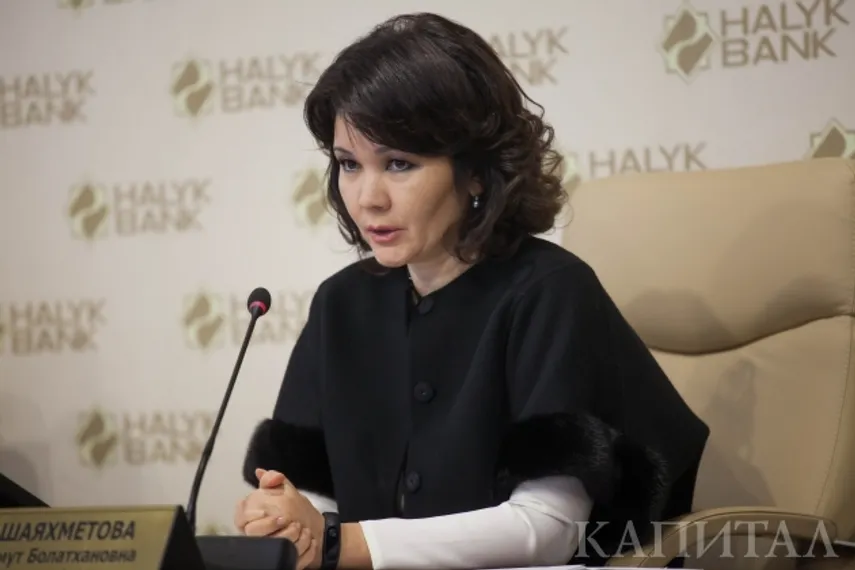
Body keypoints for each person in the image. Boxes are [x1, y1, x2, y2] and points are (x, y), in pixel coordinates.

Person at [233, 11, 709, 570]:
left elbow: (548, 529)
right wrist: (288, 521)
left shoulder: (549, 291)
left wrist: (344, 544)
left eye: (399, 164)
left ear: (477, 171)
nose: (367, 198)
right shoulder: (341, 304)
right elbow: (310, 495)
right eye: (349, 165)